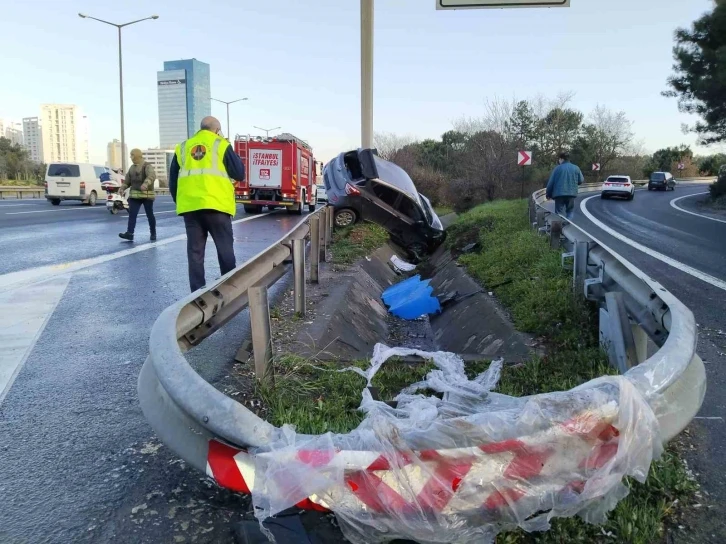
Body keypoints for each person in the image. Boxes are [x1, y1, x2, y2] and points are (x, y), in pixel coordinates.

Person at [169, 116, 246, 292]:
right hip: (216, 206)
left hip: (191, 208)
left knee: (195, 254)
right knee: (225, 250)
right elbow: (239, 173)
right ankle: (229, 290)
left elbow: (173, 180)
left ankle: (197, 295)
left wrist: (179, 200)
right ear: (217, 130)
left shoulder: (183, 147)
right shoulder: (221, 144)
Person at [119, 149, 157, 241]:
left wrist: (145, 184)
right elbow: (127, 181)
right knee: (132, 214)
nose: (131, 157)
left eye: (132, 155)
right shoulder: (132, 168)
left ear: (137, 155)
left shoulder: (147, 166)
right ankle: (130, 233)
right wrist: (122, 188)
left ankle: (153, 233)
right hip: (135, 196)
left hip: (147, 196)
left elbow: (152, 176)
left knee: (149, 215)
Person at [546, 151, 584, 220]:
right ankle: (567, 224)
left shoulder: (557, 169)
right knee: (570, 211)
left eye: (559, 159)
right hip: (571, 194)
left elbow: (550, 183)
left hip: (559, 194)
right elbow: (581, 180)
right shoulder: (576, 168)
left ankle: (559, 226)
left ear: (561, 159)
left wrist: (548, 194)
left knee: (558, 213)